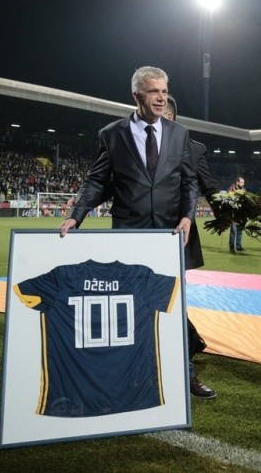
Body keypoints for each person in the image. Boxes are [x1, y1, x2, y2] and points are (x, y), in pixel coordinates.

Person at [59, 67, 214, 399]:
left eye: (164, 91)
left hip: (170, 237)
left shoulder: (179, 133)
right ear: (136, 96)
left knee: (173, 305)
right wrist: (76, 215)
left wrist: (187, 217)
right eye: (154, 91)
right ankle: (132, 373)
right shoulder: (112, 134)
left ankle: (185, 373)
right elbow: (97, 180)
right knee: (132, 306)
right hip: (129, 235)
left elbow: (189, 182)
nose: (161, 98)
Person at [166, 95, 218, 399]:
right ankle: (192, 339)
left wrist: (231, 210)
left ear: (172, 117)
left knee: (174, 299)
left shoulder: (194, 149)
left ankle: (186, 373)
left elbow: (208, 186)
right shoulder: (136, 142)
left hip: (178, 234)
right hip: (141, 233)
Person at [227, 177, 246, 252]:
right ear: (237, 182)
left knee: (240, 231)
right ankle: (232, 248)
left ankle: (238, 246)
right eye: (241, 182)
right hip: (233, 214)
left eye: (243, 182)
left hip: (241, 214)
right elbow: (227, 199)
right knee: (233, 231)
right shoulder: (231, 189)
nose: (243, 184)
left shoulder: (244, 190)